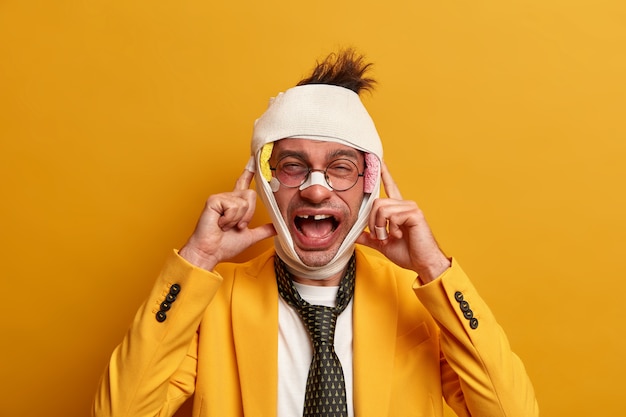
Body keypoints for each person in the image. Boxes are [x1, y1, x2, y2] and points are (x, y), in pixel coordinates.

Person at [93, 49, 538, 417]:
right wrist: (197, 259)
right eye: (293, 167)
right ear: (265, 182)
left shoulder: (418, 298)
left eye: (341, 168)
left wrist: (433, 267)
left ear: (371, 184)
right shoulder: (210, 302)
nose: (316, 189)